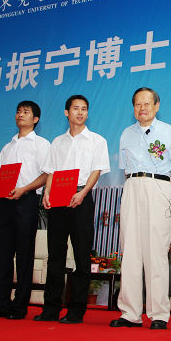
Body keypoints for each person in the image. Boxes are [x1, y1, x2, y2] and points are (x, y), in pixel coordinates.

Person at [110, 87, 171, 330]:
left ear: (156, 106)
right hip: (132, 186)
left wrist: (166, 194)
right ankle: (130, 313)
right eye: (137, 104)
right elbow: (125, 169)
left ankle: (159, 315)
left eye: (147, 104)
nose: (142, 108)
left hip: (159, 186)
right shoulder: (126, 134)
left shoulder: (169, 131)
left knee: (157, 252)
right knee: (131, 251)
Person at [33, 95, 110, 324]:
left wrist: (83, 193)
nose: (80, 112)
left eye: (84, 109)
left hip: (81, 198)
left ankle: (76, 310)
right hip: (57, 198)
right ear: (67, 112)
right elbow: (51, 171)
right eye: (76, 108)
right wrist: (47, 193)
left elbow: (96, 171)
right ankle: (51, 309)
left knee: (81, 257)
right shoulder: (57, 142)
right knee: (55, 256)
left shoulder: (97, 140)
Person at [0, 101, 50, 320]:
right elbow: (0, 176)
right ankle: (0, 304)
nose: (20, 115)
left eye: (26, 112)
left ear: (35, 119)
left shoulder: (41, 144)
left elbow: (46, 175)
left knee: (24, 255)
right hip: (4, 202)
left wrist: (24, 189)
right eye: (18, 111)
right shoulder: (7, 147)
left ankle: (19, 307)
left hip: (26, 201)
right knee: (2, 253)